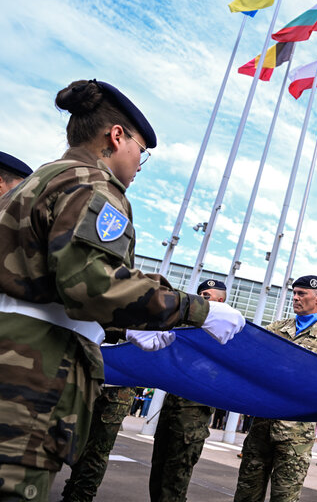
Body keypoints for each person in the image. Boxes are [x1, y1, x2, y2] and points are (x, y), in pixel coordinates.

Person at [0, 79, 245, 501]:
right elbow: (93, 285)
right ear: (117, 137)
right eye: (140, 153)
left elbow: (50, 283)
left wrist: (122, 326)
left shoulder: (37, 182)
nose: (136, 164)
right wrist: (197, 311)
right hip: (29, 378)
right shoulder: (93, 186)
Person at [234, 275, 317, 502]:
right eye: (294, 293)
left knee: (284, 497)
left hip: (296, 435)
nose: (295, 298)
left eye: (301, 294)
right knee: (246, 494)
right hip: (261, 427)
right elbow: (251, 357)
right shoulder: (276, 329)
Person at [61, 330, 176, 501]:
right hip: (93, 376)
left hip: (120, 389)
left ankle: (80, 498)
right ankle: (71, 492)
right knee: (80, 443)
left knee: (97, 451)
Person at [148, 279, 231, 502]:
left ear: (221, 301)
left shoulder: (227, 332)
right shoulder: (184, 327)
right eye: (199, 294)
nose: (201, 298)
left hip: (192, 415)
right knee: (157, 472)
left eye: (207, 296)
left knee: (175, 479)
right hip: (171, 406)